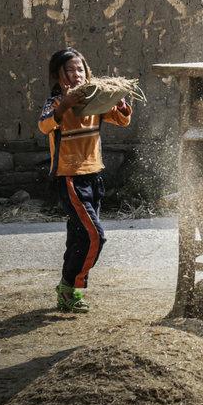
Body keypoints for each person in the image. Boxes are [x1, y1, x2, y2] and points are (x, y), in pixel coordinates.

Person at [38, 47, 132, 313]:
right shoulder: (56, 103)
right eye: (70, 70)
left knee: (79, 237)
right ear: (58, 76)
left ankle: (68, 292)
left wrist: (119, 98)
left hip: (94, 175)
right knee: (95, 236)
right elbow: (44, 125)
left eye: (80, 69)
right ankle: (70, 285)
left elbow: (122, 120)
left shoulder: (94, 100)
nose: (77, 75)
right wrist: (66, 104)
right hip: (69, 178)